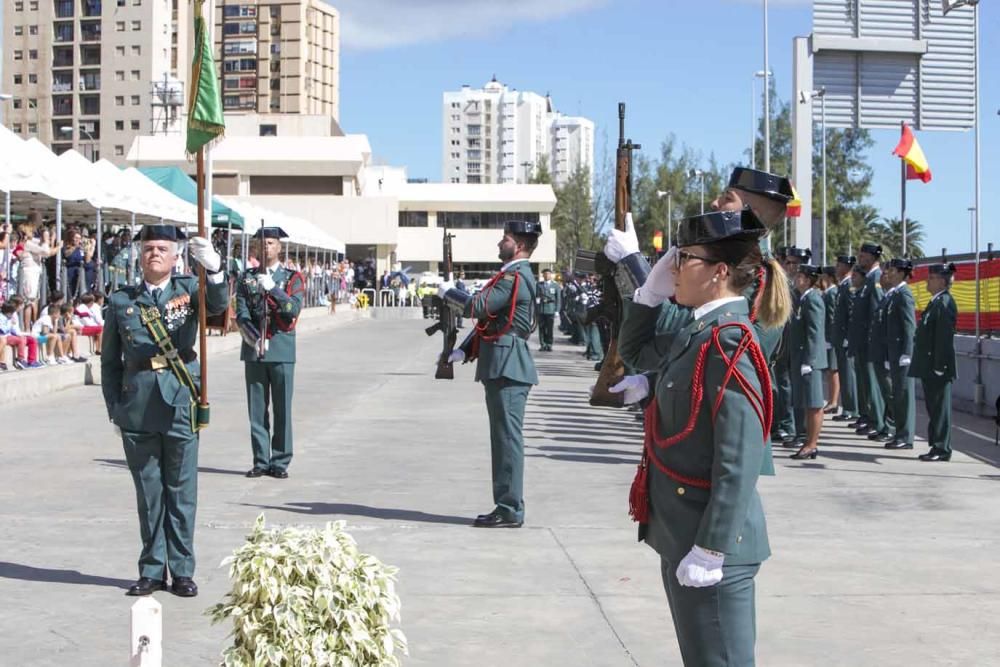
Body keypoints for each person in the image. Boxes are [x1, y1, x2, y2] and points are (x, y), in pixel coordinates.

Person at [618, 208, 791, 667]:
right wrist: (649, 294)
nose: (673, 267)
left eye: (684, 258)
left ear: (718, 273)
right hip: (682, 531)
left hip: (711, 543)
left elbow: (738, 459)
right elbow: (634, 353)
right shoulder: (700, 331)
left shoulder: (731, 339)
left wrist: (711, 546)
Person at [101, 224, 227, 597]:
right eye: (148, 248)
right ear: (139, 256)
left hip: (180, 400)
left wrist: (216, 270)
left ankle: (183, 570)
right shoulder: (122, 300)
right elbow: (110, 361)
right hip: (137, 403)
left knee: (182, 490)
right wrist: (115, 408)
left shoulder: (189, 291)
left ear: (176, 257)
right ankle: (152, 570)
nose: (154, 253)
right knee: (149, 492)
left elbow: (218, 307)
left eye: (162, 248)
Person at [438, 219, 541, 528]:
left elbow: (477, 308)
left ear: (519, 245)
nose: (500, 243)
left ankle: (510, 509)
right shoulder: (510, 276)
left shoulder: (515, 277)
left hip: (508, 364)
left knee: (507, 440)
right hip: (501, 361)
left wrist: (449, 293)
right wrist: (465, 350)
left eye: (505, 239)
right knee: (502, 438)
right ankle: (506, 505)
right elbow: (494, 323)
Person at [235, 227, 304, 480]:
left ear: (279, 248)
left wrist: (274, 288)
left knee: (282, 409)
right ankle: (261, 460)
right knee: (256, 410)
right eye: (262, 243)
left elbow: (292, 309)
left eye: (271, 243)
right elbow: (241, 313)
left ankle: (280, 460)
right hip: (255, 350)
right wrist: (253, 337)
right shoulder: (246, 278)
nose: (266, 247)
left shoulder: (292, 278)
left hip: (282, 349)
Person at [910, 263, 957, 462]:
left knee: (940, 409)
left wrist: (939, 366)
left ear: (941, 281)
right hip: (929, 365)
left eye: (931, 278)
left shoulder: (945, 303)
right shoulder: (936, 302)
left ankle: (942, 448)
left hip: (938, 367)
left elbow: (944, 339)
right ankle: (936, 445)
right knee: (933, 408)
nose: (928, 281)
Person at [788, 264, 827, 460]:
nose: (796, 278)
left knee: (813, 403)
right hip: (800, 357)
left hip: (809, 359)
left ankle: (812, 444)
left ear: (808, 279)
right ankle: (806, 441)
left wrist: (810, 360)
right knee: (804, 402)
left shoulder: (813, 299)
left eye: (800, 276)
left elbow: (815, 332)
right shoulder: (801, 299)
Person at [854, 243, 886, 438]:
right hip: (863, 341)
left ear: (873, 257)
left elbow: (877, 313)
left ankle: (878, 420)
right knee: (866, 383)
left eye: (864, 255)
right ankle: (871, 418)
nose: (860, 258)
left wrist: (874, 340)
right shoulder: (868, 280)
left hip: (870, 342)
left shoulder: (876, 279)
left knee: (872, 383)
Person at [884, 258, 916, 450]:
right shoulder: (895, 294)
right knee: (897, 394)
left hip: (902, 355)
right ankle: (900, 433)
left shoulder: (904, 294)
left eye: (894, 270)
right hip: (894, 353)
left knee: (904, 395)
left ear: (903, 273)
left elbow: (909, 326)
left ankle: (906, 436)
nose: (890, 273)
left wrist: (906, 352)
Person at [831, 256, 859, 423]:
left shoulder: (848, 286)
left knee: (848, 374)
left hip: (845, 338)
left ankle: (851, 409)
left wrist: (848, 337)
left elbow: (850, 314)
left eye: (839, 265)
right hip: (840, 337)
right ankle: (848, 407)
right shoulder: (843, 285)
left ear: (847, 266)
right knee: (844, 373)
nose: (836, 267)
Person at [819, 266, 840, 414]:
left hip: (830, 338)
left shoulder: (832, 293)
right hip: (827, 337)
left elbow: (832, 318)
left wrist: (831, 338)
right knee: (829, 371)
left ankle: (833, 402)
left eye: (824, 276)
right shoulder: (826, 293)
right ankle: (831, 401)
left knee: (833, 370)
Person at [536, 268, 560, 351]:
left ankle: (549, 344)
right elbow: (536, 296)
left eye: (548, 274)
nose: (546, 275)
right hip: (541, 309)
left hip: (550, 309)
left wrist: (557, 310)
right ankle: (543, 344)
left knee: (549, 329)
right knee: (541, 328)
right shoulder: (539, 285)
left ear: (551, 275)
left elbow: (558, 298)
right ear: (543, 275)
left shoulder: (555, 285)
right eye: (545, 274)